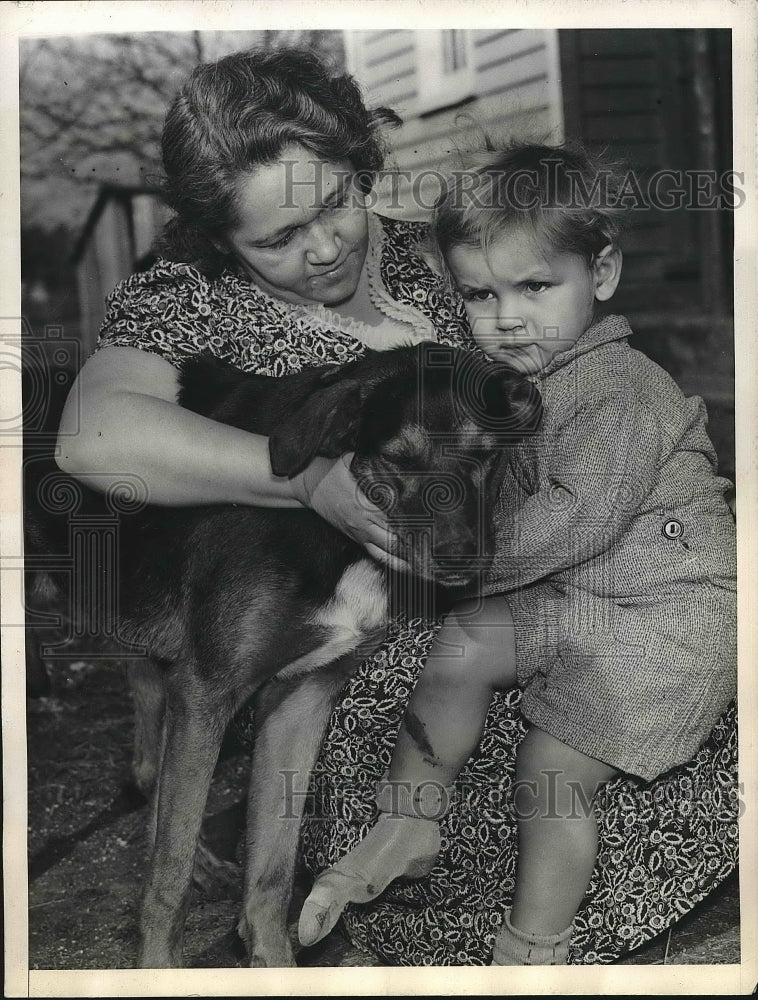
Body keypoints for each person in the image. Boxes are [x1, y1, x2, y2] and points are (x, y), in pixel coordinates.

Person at [56, 46, 738, 967]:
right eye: (278, 239)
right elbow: (89, 441)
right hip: (393, 648)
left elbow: (581, 359)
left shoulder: (446, 253)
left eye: (336, 203)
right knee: (473, 737)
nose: (327, 244)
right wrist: (302, 476)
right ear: (221, 240)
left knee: (655, 701)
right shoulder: (186, 299)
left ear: (359, 170)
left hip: (545, 593)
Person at [296, 144, 738, 965]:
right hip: (581, 600)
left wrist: (453, 566)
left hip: (668, 618)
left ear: (601, 273)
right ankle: (409, 823)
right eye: (479, 293)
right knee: (458, 650)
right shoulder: (519, 383)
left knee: (550, 771)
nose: (506, 316)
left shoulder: (618, 386)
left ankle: (535, 948)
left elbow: (573, 519)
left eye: (535, 287)